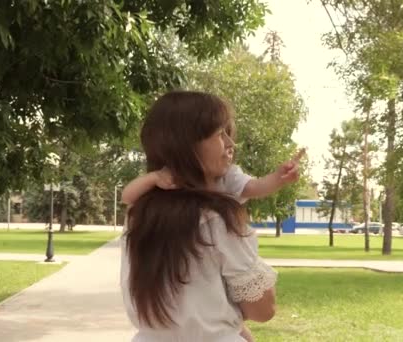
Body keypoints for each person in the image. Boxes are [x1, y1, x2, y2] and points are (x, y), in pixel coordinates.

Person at [120, 90, 301, 342]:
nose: (230, 143)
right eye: (219, 134)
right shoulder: (218, 218)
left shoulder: (138, 218)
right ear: (185, 143)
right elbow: (263, 310)